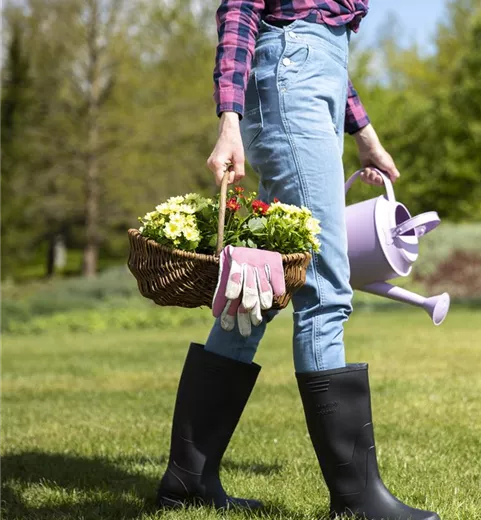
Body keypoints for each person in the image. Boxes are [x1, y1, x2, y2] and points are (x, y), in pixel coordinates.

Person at [155, 2, 440, 519]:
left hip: (314, 76)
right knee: (324, 290)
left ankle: (188, 477)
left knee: (256, 291)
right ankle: (356, 500)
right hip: (292, 80)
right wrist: (228, 120)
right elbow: (242, 10)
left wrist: (364, 134)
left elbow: (319, 29)